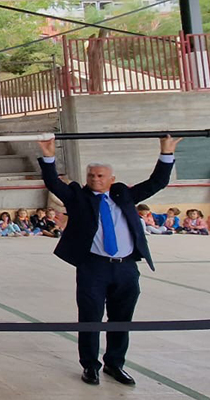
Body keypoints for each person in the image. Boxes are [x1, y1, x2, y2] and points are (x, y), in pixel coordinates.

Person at [38, 136, 177, 386]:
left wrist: (165, 153)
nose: (95, 179)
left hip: (125, 267)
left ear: (112, 179)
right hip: (94, 266)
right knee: (90, 317)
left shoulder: (123, 196)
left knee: (121, 318)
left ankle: (115, 363)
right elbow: (53, 183)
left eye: (101, 176)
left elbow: (157, 182)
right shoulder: (79, 198)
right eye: (91, 175)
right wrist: (49, 157)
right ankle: (90, 365)